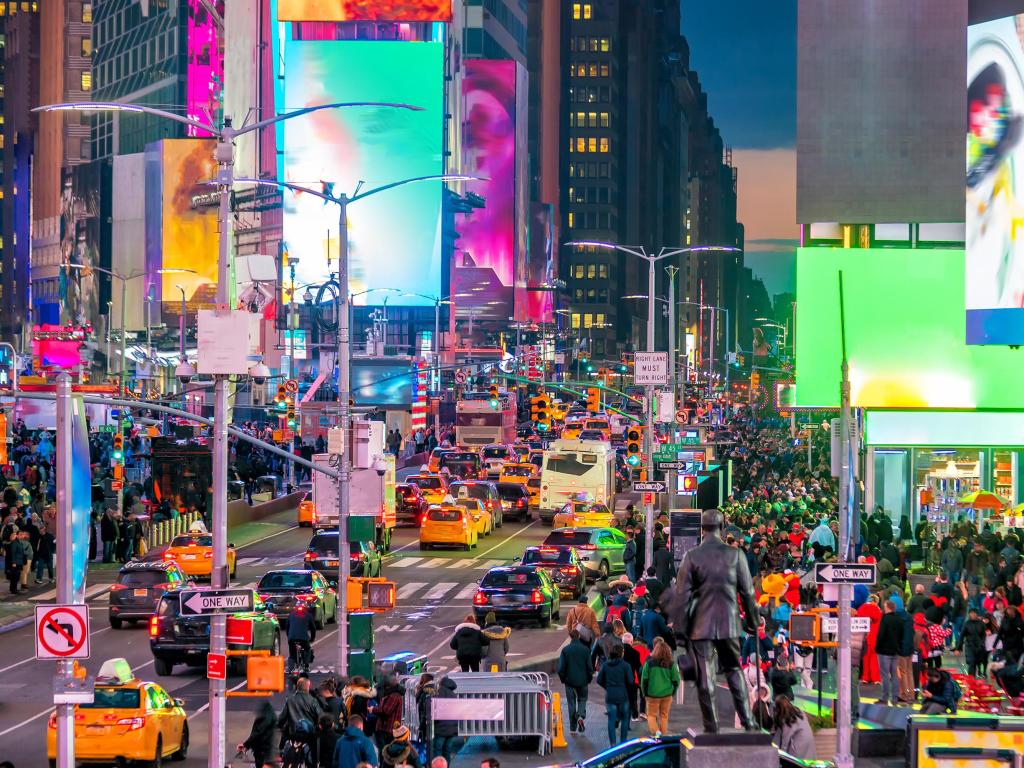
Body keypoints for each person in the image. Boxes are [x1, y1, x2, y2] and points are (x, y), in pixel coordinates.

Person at [673, 508, 759, 733]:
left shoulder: (692, 556)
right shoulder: (736, 555)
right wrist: (753, 621)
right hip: (730, 622)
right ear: (722, 527)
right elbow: (748, 592)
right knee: (734, 670)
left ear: (702, 529)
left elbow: (681, 596)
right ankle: (748, 722)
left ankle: (712, 727)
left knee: (705, 675)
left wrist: (680, 632)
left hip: (702, 625)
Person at [279, 677, 325, 765]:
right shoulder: (312, 700)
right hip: (309, 736)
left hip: (293, 735)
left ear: (297, 686)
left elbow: (282, 718)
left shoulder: (290, 700)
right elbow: (321, 716)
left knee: (285, 754)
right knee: (313, 760)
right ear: (308, 687)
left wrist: (280, 727)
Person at [640, 637, 679, 737]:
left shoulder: (649, 663)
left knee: (651, 715)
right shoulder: (671, 664)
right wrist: (673, 692)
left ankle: (656, 732)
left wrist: (644, 693)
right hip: (667, 694)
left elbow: (644, 679)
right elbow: (676, 680)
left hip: (652, 694)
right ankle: (663, 735)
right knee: (664, 716)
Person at [596, 643, 634, 746]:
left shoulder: (605, 665)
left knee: (611, 720)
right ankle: (623, 743)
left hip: (610, 695)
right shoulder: (626, 665)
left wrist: (607, 686)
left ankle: (613, 744)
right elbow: (631, 681)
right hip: (623, 695)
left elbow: (599, 680)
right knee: (625, 719)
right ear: (621, 653)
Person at [558, 629, 594, 734]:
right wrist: (589, 678)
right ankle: (580, 716)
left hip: (569, 681)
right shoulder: (586, 650)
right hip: (583, 680)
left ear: (570, 637)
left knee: (571, 703)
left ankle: (572, 728)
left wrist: (563, 679)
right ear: (579, 636)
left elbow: (560, 668)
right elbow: (589, 667)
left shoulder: (565, 650)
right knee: (582, 699)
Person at [875, 599, 902, 706]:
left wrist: (877, 647)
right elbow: (901, 634)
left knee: (885, 675)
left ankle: (884, 697)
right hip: (895, 651)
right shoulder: (899, 619)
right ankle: (895, 697)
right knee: (895, 675)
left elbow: (881, 635)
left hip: (884, 651)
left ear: (887, 607)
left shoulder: (885, 619)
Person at [772, 695, 815, 760]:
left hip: (799, 747)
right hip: (809, 743)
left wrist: (780, 757)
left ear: (779, 708)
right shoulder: (799, 712)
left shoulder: (788, 719)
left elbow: (785, 741)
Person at [238, 700, 278, 768]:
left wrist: (246, 745)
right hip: (268, 752)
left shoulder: (262, 720)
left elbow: (257, 733)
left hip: (261, 752)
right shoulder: (272, 719)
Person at [431, 677, 460, 764]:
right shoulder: (453, 695)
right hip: (452, 729)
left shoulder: (439, 693)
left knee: (437, 751)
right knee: (447, 751)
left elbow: (435, 709)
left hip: (441, 728)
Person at [374, 675, 405, 752]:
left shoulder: (394, 695)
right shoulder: (393, 694)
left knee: (385, 752)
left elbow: (386, 711)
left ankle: (385, 764)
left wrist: (373, 709)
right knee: (386, 751)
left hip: (387, 728)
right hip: (389, 729)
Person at [959, 608, 989, 678]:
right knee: (971, 663)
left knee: (977, 662)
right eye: (971, 613)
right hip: (969, 646)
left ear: (977, 614)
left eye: (974, 613)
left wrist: (982, 644)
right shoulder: (967, 624)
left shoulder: (981, 623)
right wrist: (959, 647)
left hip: (979, 646)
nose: (973, 614)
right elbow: (962, 635)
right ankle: (971, 679)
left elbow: (983, 635)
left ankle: (975, 677)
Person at [287, 602, 317, 672]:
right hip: (304, 638)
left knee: (292, 654)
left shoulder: (291, 615)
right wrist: (312, 638)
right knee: (307, 649)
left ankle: (290, 668)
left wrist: (289, 637)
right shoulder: (308, 615)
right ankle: (306, 666)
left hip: (292, 638)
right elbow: (313, 628)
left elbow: (287, 627)